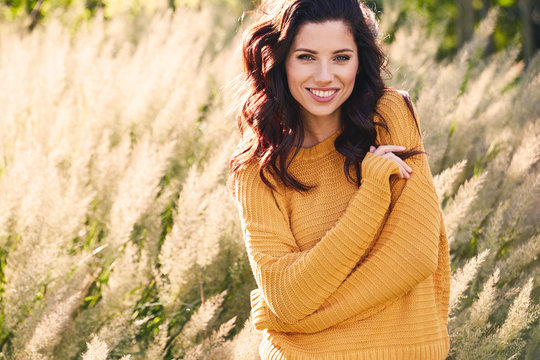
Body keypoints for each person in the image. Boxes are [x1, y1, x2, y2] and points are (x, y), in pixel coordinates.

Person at [228, 0, 451, 358]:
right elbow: (286, 296)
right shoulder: (259, 169)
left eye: (341, 57)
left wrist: (295, 317)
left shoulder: (389, 117)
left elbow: (415, 255)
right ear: (280, 61)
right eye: (306, 57)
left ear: (360, 61)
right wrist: (373, 193)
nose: (324, 76)